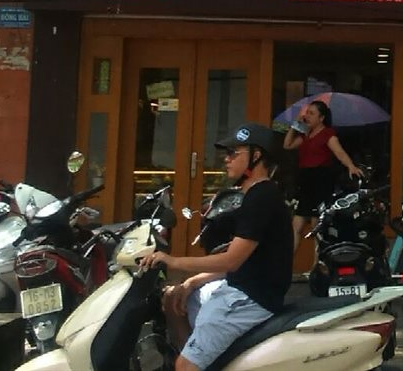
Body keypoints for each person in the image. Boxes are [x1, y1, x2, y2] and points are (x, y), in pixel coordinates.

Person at [140, 123, 291, 371]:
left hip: (248, 299)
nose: (226, 159)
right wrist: (193, 281)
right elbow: (245, 262)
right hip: (238, 288)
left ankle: (191, 361)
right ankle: (198, 356)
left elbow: (231, 260)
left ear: (256, 156)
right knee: (173, 298)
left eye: (234, 153)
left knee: (184, 367)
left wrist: (173, 260)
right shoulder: (255, 195)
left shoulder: (262, 198)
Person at [282, 99, 364, 255]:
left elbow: (339, 152)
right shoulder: (305, 134)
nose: (307, 116)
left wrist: (351, 166)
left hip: (320, 180)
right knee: (296, 225)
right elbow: (287, 145)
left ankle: (317, 263)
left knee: (316, 225)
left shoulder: (327, 134)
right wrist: (296, 124)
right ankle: (286, 262)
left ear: (321, 118)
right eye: (307, 113)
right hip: (305, 181)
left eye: (312, 114)